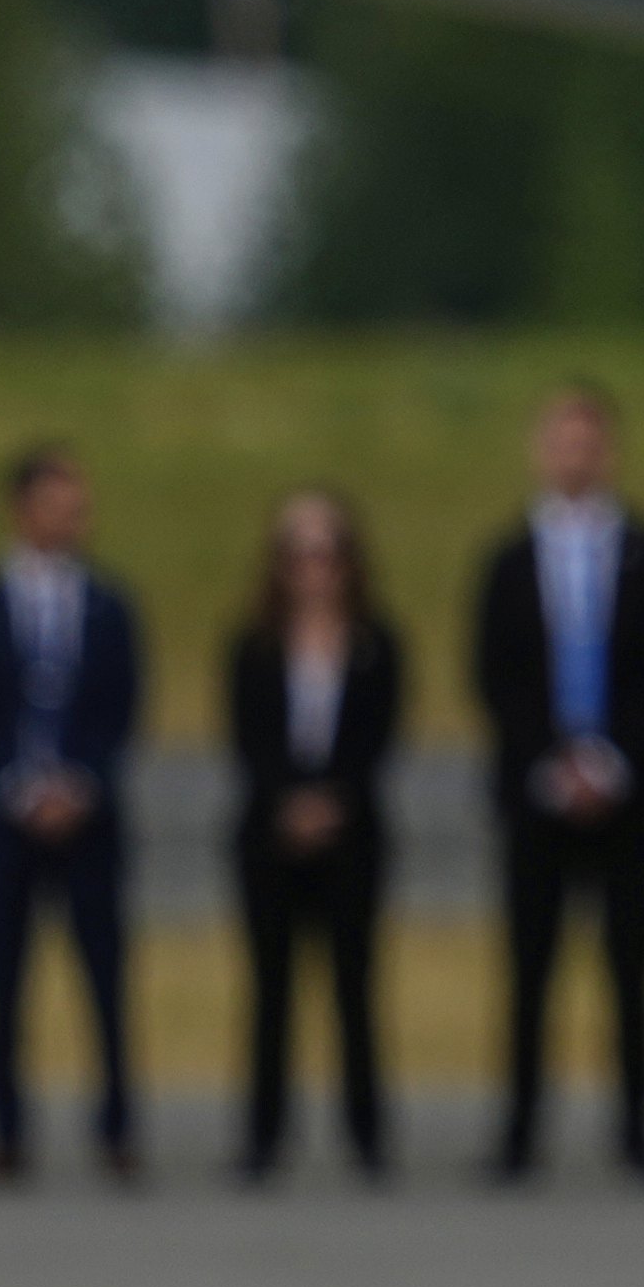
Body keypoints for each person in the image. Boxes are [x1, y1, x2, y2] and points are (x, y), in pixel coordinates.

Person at [470, 381, 644, 1182]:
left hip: (628, 789)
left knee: (632, 968)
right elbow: (494, 673)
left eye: (589, 440)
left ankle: (637, 1131)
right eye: (563, 440)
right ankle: (520, 1131)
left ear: (610, 451)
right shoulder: (507, 559)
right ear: (541, 450)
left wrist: (608, 760)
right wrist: (553, 760)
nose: (577, 455)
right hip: (537, 790)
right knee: (529, 968)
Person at [0, 439, 146, 1186]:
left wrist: (80, 784)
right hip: (9, 826)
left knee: (105, 977)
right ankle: (6, 1131)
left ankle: (117, 1129)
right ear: (22, 508)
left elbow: (124, 708)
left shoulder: (110, 605)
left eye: (80, 507)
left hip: (91, 824)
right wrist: (21, 788)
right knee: (5, 981)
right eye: (59, 505)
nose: (73, 519)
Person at [225, 485, 403, 1184]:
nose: (313, 568)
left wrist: (333, 802)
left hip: (351, 834)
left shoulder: (376, 645)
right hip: (270, 837)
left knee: (355, 986)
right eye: (298, 554)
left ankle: (366, 1133)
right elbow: (247, 737)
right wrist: (287, 803)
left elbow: (380, 737)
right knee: (270, 989)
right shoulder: (253, 645)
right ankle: (264, 1135)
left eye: (327, 553)